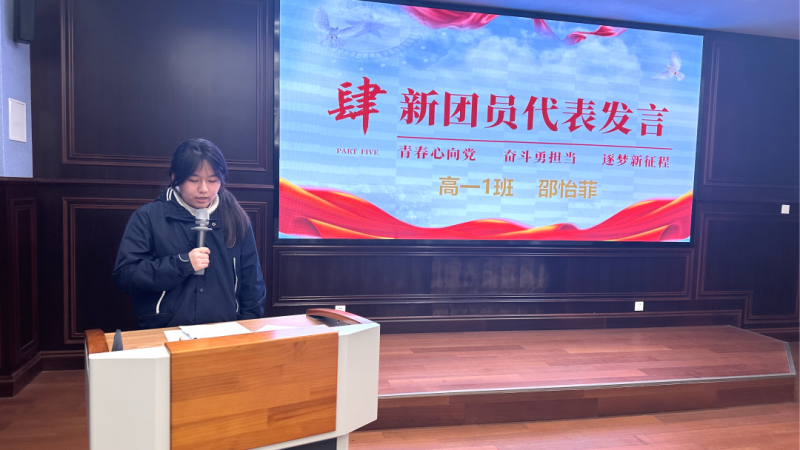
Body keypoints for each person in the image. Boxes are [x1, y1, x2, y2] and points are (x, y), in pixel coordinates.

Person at [113, 139, 266, 329]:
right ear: (175, 177)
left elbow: (253, 284)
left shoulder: (236, 219)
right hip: (165, 330)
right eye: (194, 180)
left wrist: (248, 329)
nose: (204, 189)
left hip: (225, 332)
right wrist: (182, 264)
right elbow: (126, 276)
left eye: (212, 180)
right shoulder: (148, 217)